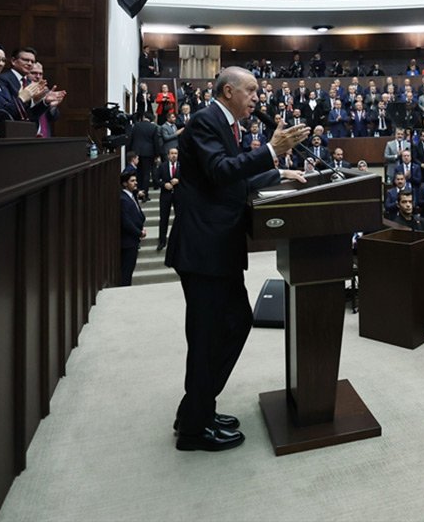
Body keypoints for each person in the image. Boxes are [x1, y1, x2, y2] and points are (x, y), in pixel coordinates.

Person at [165, 66, 309, 452]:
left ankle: (197, 410)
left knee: (234, 323)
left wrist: (278, 171)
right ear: (228, 91)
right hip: (204, 250)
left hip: (218, 248)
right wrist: (270, 152)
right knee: (208, 336)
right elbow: (219, 172)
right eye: (250, 90)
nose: (255, 97)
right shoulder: (204, 121)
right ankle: (194, 431)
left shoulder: (224, 124)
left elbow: (232, 179)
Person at [120, 172, 146, 287]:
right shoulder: (123, 199)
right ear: (125, 183)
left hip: (133, 240)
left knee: (130, 269)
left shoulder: (131, 196)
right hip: (128, 241)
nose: (135, 183)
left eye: (135, 180)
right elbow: (126, 221)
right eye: (132, 181)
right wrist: (139, 232)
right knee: (126, 271)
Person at [155, 147, 180, 251]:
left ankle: (179, 240)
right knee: (164, 218)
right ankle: (162, 241)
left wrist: (178, 180)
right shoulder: (162, 166)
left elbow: (188, 179)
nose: (174, 155)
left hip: (178, 195)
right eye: (172, 153)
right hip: (165, 195)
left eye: (175, 153)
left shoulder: (182, 166)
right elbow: (156, 179)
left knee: (179, 218)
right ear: (168, 155)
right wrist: (164, 184)